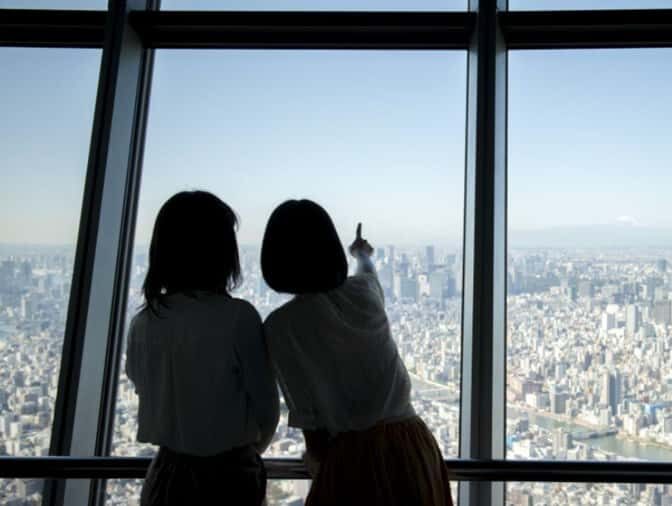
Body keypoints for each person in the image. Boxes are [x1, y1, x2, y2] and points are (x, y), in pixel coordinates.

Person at [261, 199, 452, 506]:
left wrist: (319, 467)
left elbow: (312, 425)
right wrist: (361, 253)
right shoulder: (365, 293)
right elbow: (367, 272)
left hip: (354, 463)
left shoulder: (280, 327)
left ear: (274, 260)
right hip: (413, 448)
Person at [125, 191, 279, 506]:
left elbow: (145, 388)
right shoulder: (238, 318)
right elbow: (267, 412)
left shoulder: (143, 323)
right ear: (223, 252)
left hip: (166, 476)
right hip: (230, 478)